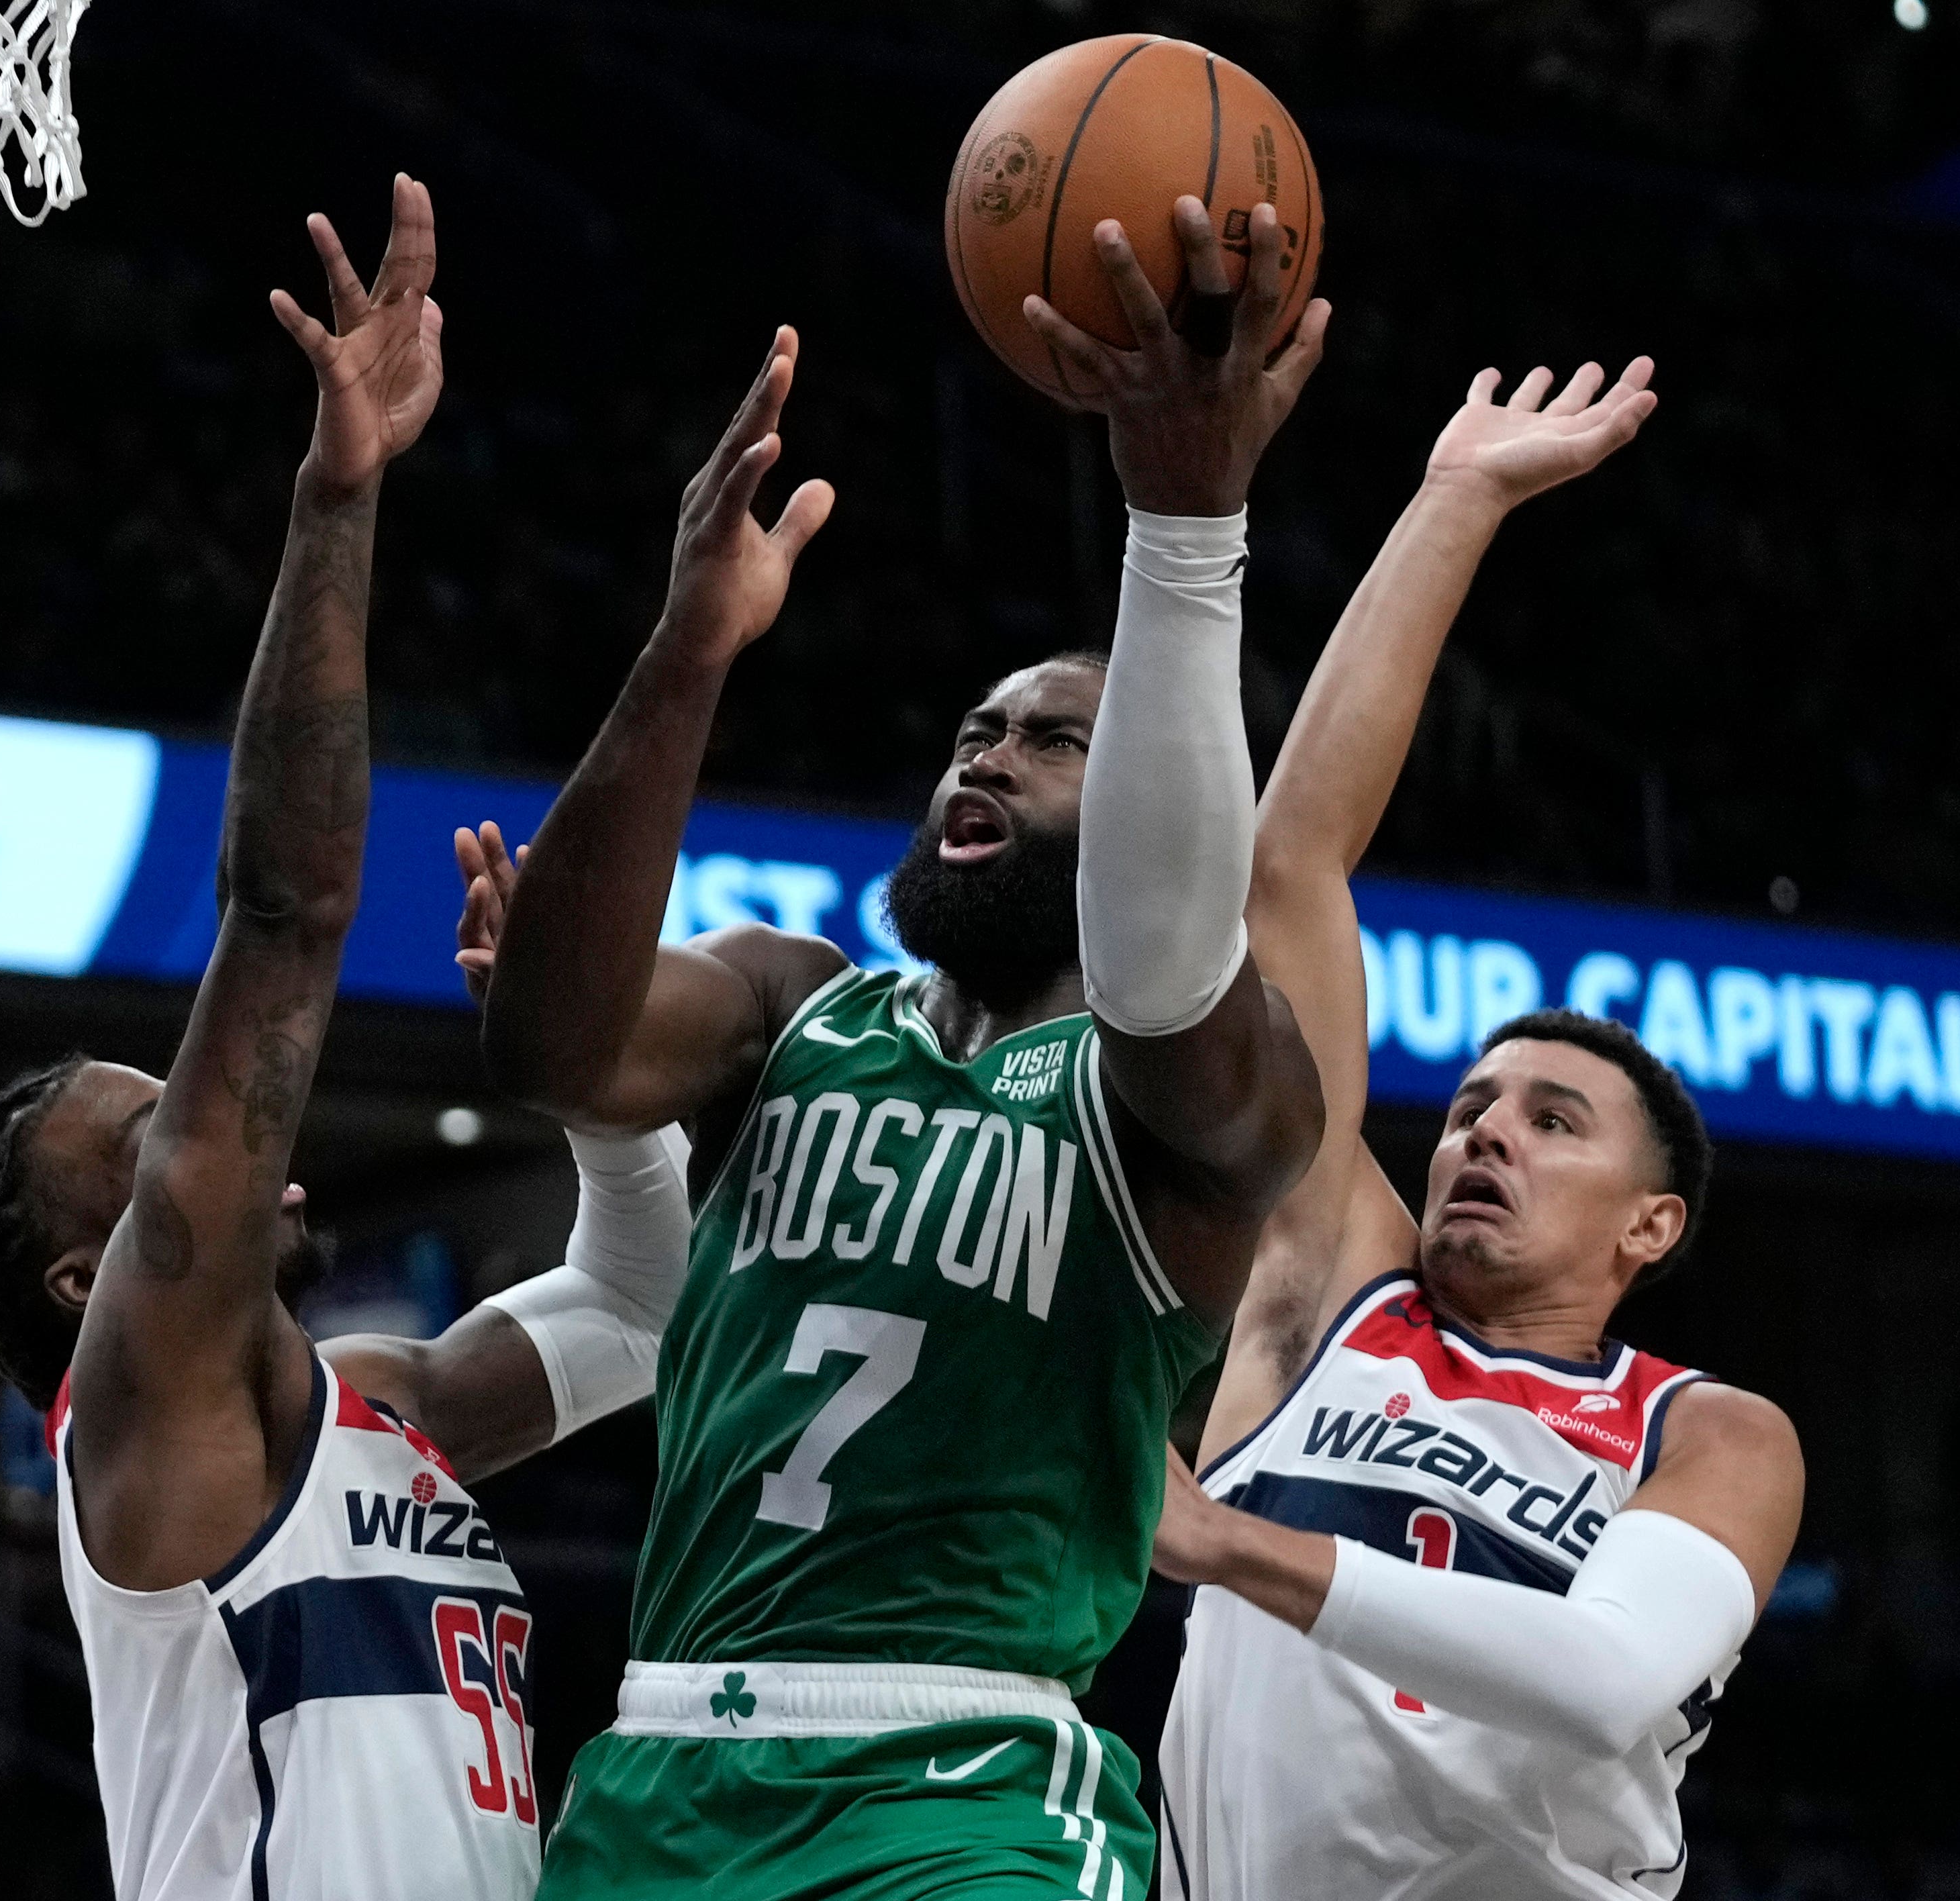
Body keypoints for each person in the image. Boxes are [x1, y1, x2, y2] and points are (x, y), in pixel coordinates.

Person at [477, 197, 1328, 1900]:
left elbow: (1166, 967)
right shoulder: (797, 1005)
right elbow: (555, 1046)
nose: (990, 758)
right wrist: (690, 645)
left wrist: (1184, 523)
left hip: (968, 1776)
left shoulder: (1195, 1094)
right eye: (976, 732)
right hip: (659, 1767)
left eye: (1056, 741)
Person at [0, 177, 694, 1901]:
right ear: (88, 1281)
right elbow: (284, 913)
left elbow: (641, 1302)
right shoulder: (146, 1411)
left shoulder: (384, 1410)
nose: (228, 1134)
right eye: (158, 1138)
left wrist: (588, 1078)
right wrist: (340, 503)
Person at [1149, 360, 1806, 1900]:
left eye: (1554, 1122)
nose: (1482, 1138)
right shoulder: (1337, 1293)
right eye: (1468, 1111)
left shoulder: (1706, 1433)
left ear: (1653, 1226)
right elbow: (1294, 864)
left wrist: (1226, 1543)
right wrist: (1458, 500)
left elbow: (1601, 1676)